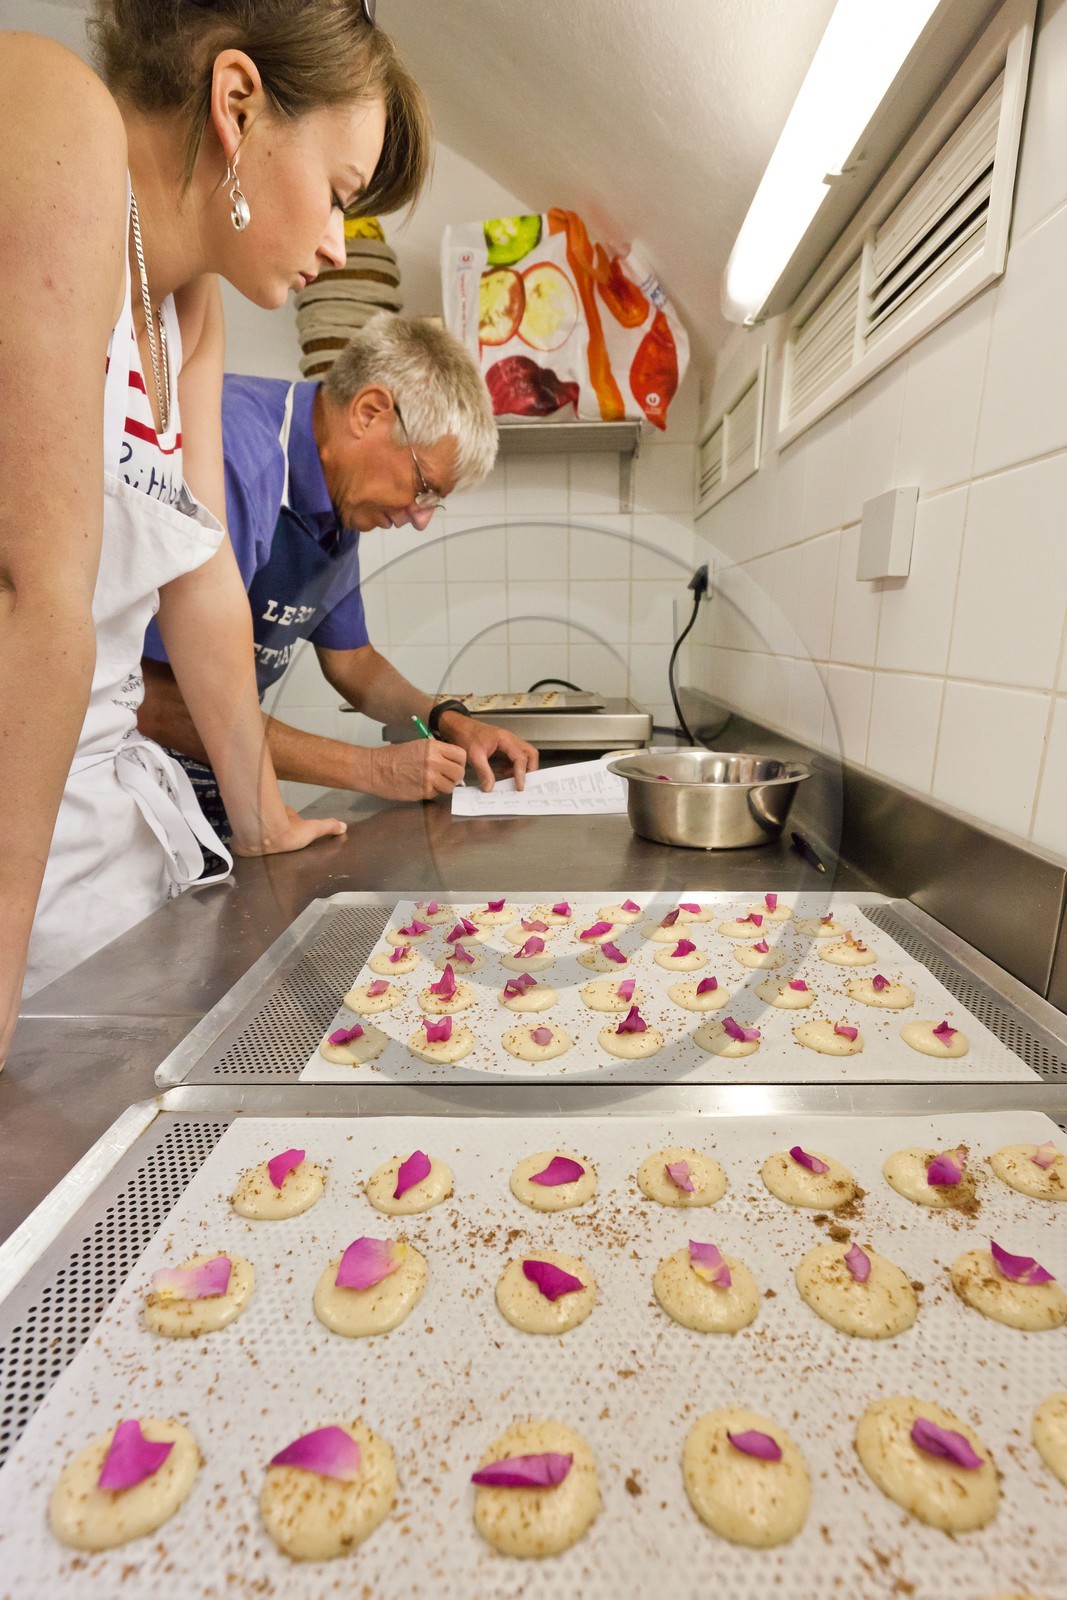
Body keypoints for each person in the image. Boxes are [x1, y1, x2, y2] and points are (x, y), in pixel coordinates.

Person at [0, 0, 430, 1055]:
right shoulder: (51, 109)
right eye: (337, 194)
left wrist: (263, 819)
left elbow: (201, 583)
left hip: (88, 833)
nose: (335, 244)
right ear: (237, 103)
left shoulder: (190, 311)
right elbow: (33, 594)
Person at [138, 314, 538, 815]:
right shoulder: (235, 458)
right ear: (369, 413)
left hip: (214, 761)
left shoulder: (340, 501)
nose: (420, 519)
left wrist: (451, 720)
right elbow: (155, 700)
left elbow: (353, 662)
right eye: (423, 488)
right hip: (125, 765)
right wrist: (370, 769)